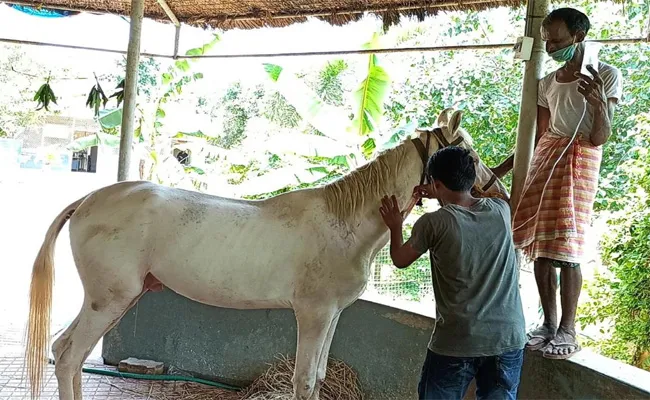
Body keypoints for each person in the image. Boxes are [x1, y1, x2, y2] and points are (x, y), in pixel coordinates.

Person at [490, 7, 623, 360]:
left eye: (557, 41)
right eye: (547, 41)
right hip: (547, 157)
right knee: (540, 244)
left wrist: (599, 104)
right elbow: (536, 137)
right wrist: (496, 173)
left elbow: (600, 138)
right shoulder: (546, 83)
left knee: (567, 245)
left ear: (579, 36)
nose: (550, 48)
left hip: (580, 160)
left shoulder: (606, 76)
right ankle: (549, 324)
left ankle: (568, 328)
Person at [379, 146, 526, 400]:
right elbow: (476, 196)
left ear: (435, 183)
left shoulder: (434, 222)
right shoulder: (500, 211)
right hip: (508, 338)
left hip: (458, 340)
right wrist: (439, 190)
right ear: (471, 178)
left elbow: (400, 259)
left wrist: (395, 226)